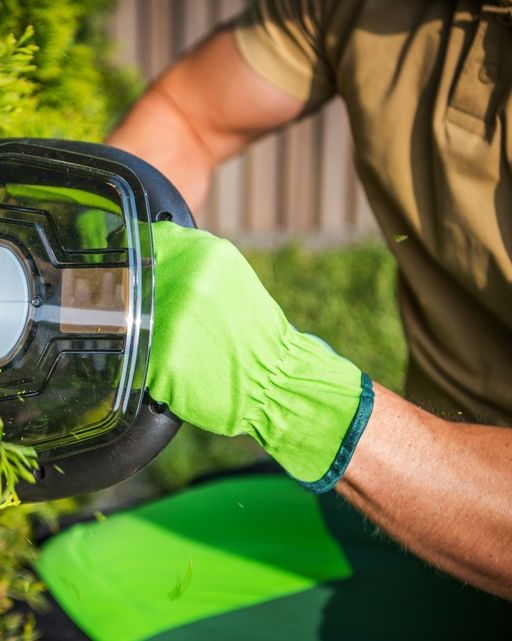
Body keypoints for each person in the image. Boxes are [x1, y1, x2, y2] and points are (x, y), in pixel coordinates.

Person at [33, 1, 511, 638]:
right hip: (397, 475)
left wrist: (288, 392)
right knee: (63, 585)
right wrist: (103, 273)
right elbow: (192, 115)